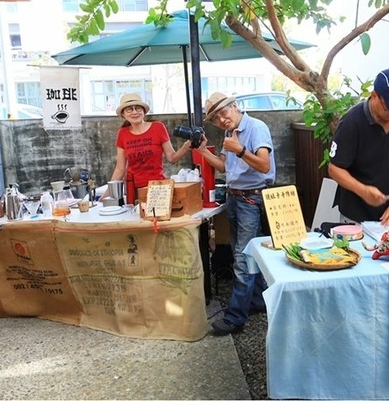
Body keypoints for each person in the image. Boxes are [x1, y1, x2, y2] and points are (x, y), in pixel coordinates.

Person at [196, 92, 275, 335]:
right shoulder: (229, 135)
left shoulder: (256, 127)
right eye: (216, 117)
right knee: (246, 253)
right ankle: (258, 301)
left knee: (242, 258)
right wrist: (203, 150)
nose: (221, 119)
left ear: (235, 106)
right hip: (234, 196)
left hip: (252, 199)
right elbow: (224, 166)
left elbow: (265, 166)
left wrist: (240, 150)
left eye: (224, 112)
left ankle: (235, 318)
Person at [327, 68, 389, 225]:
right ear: (374, 96)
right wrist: (363, 191)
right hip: (356, 216)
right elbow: (335, 169)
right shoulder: (352, 122)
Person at [109, 93, 193, 194]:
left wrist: (186, 146)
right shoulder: (122, 133)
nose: (135, 112)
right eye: (129, 109)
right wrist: (107, 195)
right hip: (134, 190)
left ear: (144, 111)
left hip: (158, 188)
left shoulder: (158, 127)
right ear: (123, 114)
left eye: (138, 108)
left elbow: (172, 157)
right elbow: (120, 169)